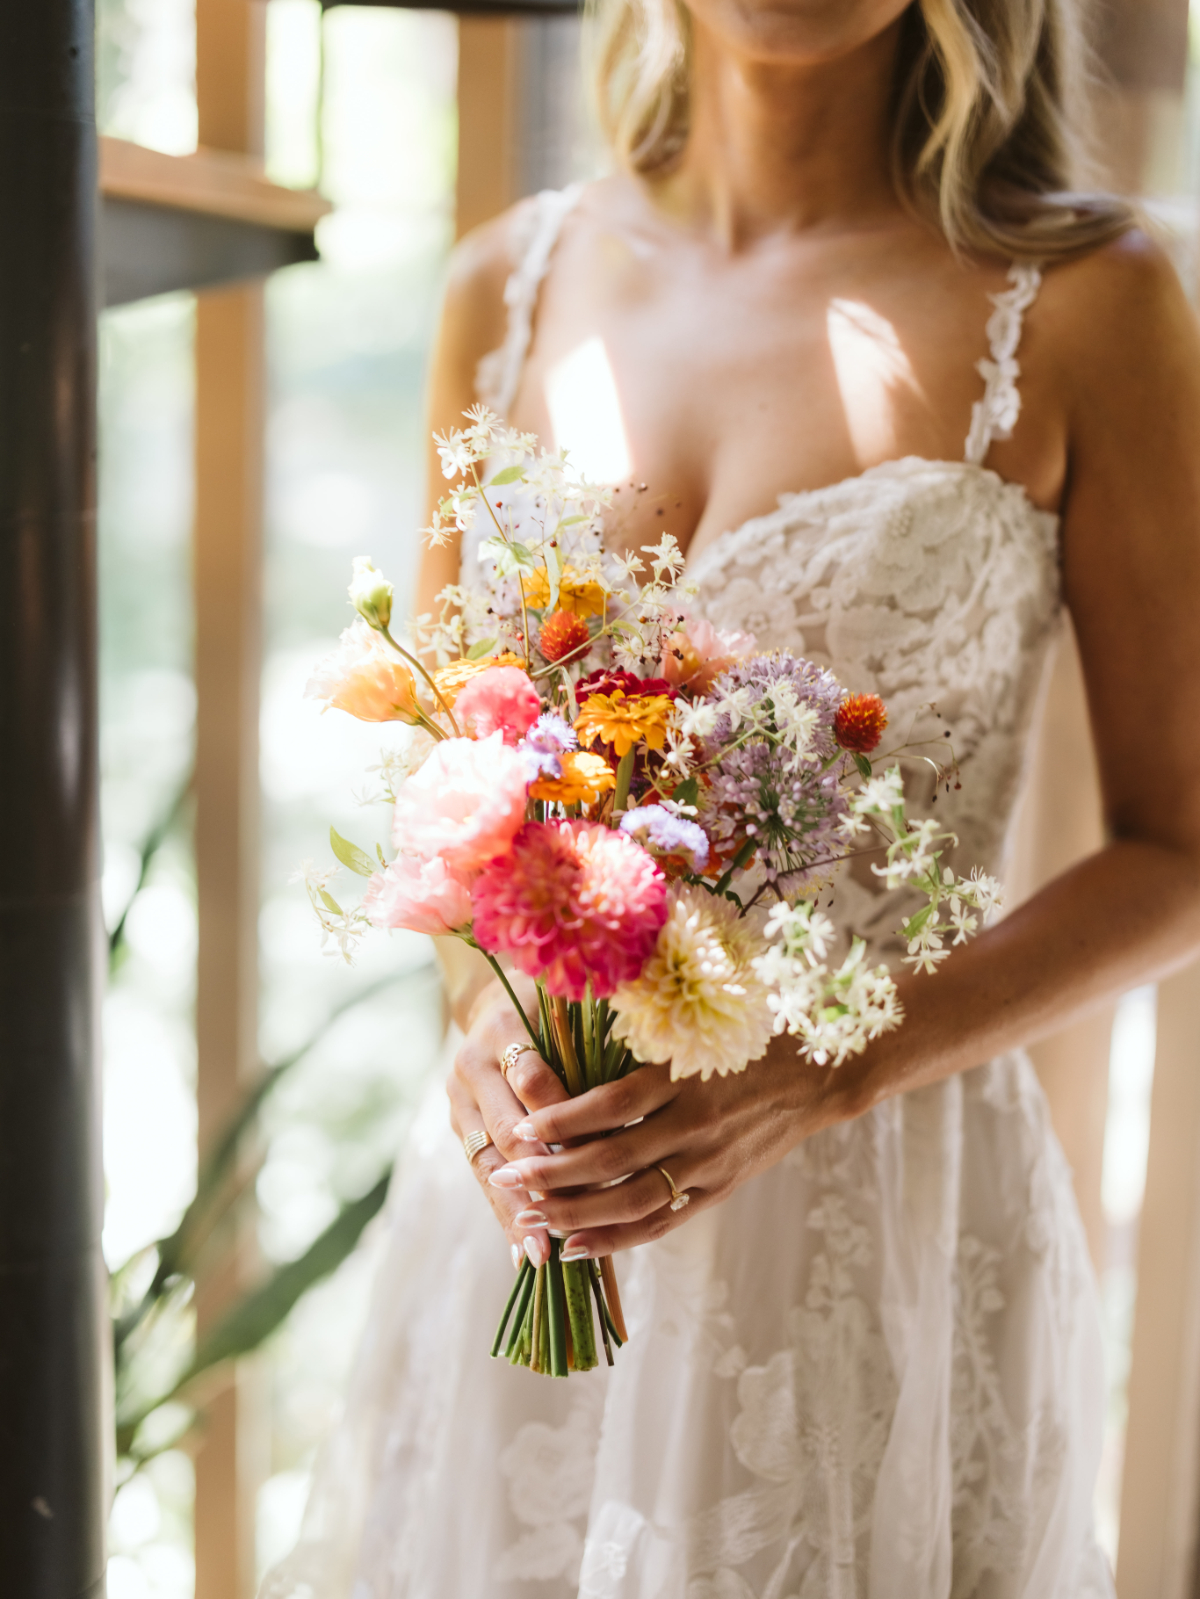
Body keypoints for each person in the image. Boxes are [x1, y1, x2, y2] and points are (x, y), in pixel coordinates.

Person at [263, 1, 1200, 1594]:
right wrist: (486, 1030)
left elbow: (1184, 848)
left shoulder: (1097, 303)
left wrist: (822, 1076)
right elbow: (454, 772)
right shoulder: (508, 281)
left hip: (880, 1226)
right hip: (530, 1209)